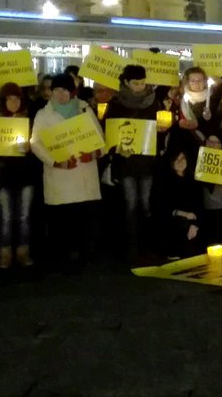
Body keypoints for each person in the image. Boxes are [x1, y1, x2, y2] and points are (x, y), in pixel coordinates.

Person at [30, 73, 104, 267]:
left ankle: (83, 256)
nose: (60, 94)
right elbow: (36, 143)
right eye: (56, 90)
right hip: (60, 175)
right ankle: (63, 258)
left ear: (72, 92)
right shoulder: (43, 114)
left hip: (83, 174)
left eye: (64, 90)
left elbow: (100, 137)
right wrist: (55, 162)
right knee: (62, 221)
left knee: (83, 219)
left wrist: (94, 153)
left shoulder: (84, 109)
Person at [106, 64, 163, 256]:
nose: (139, 86)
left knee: (146, 202)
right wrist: (116, 148)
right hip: (126, 163)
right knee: (130, 203)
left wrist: (163, 129)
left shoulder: (154, 101)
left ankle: (147, 242)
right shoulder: (116, 103)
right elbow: (109, 132)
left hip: (147, 161)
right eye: (135, 83)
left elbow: (161, 127)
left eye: (142, 82)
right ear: (126, 82)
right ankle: (132, 245)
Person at [0, 83, 40, 268]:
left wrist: (31, 148)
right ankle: (5, 253)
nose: (13, 102)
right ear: (2, 101)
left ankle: (23, 252)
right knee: (6, 217)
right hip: (3, 178)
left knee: (25, 216)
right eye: (9, 98)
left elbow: (40, 146)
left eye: (17, 98)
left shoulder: (30, 121)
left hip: (25, 176)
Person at [157, 147, 203, 260]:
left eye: (182, 158)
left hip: (193, 220)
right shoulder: (165, 181)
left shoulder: (194, 180)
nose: (180, 162)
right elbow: (163, 207)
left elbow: (199, 205)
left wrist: (195, 224)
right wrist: (183, 214)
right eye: (176, 159)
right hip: (174, 221)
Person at [178, 67, 211, 144]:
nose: (196, 83)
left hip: (206, 142)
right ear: (188, 82)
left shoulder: (213, 98)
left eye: (200, 80)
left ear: (205, 81)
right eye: (192, 81)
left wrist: (198, 123)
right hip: (185, 141)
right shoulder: (183, 99)